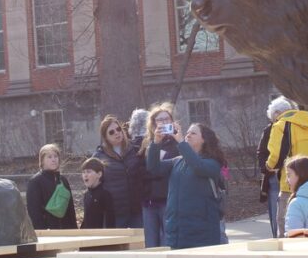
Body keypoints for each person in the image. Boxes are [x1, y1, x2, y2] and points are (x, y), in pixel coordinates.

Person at [147, 121, 226, 249]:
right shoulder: (177, 162)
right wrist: (156, 142)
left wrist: (181, 143)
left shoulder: (213, 162)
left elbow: (198, 167)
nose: (188, 135)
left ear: (204, 140)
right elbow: (153, 168)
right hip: (176, 232)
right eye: (187, 132)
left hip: (202, 234)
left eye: (193, 133)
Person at [264, 107, 308, 238]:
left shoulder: (280, 126)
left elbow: (276, 156)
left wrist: (268, 166)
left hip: (292, 189)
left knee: (286, 228)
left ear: (278, 114)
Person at [139, 102, 180, 247]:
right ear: (153, 124)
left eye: (167, 119)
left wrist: (178, 138)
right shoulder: (146, 144)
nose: (164, 122)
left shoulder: (177, 144)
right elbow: (145, 169)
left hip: (167, 199)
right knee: (150, 243)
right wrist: (155, 142)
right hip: (148, 200)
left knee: (166, 242)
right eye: (160, 120)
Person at [93, 115, 144, 228]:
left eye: (118, 129)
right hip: (115, 211)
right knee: (119, 245)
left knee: (139, 243)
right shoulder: (99, 156)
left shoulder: (134, 149)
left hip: (136, 210)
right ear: (105, 137)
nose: (117, 133)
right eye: (111, 132)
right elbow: (93, 183)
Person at [256, 96, 295, 238]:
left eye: (273, 117)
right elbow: (261, 152)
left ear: (278, 113)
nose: (273, 121)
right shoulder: (269, 130)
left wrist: (270, 165)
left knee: (287, 214)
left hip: (291, 176)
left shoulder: (288, 127)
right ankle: (277, 237)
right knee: (277, 213)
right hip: (275, 179)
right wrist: (267, 168)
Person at [25, 144, 77, 230]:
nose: (53, 159)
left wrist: (74, 231)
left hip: (66, 231)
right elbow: (34, 212)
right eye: (49, 157)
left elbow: (70, 209)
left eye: (55, 156)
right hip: (48, 232)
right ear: (42, 161)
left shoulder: (63, 180)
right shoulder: (35, 182)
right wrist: (43, 231)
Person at [80, 157, 116, 229]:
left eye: (89, 171)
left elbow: (110, 222)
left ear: (99, 174)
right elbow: (86, 219)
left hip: (101, 236)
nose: (85, 175)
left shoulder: (105, 195)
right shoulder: (86, 194)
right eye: (83, 172)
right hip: (88, 236)